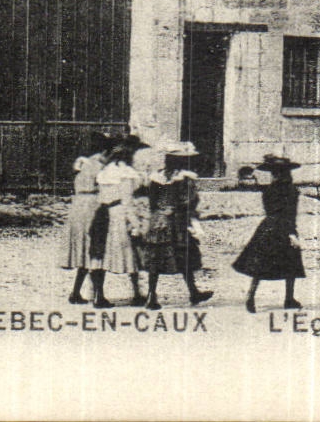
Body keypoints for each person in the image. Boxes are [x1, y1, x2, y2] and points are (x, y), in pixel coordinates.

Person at [137, 141, 214, 310]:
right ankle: (193, 292)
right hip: (176, 222)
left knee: (156, 258)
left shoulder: (157, 177)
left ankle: (152, 295)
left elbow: (152, 201)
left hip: (157, 221)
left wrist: (159, 212)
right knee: (184, 256)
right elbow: (188, 202)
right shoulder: (185, 179)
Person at [233, 154, 305, 312]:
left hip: (268, 227)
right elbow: (289, 213)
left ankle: (251, 297)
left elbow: (271, 210)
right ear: (288, 173)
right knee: (290, 263)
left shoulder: (268, 190)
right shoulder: (292, 191)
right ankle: (289, 299)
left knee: (261, 264)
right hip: (285, 227)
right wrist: (291, 233)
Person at [96, 133, 149, 306]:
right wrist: (135, 224)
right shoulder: (125, 174)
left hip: (102, 214)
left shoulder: (105, 172)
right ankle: (136, 293)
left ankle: (99, 295)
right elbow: (127, 202)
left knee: (100, 254)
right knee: (130, 253)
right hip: (118, 214)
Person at [62, 134, 114, 305]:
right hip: (93, 205)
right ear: (105, 150)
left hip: (77, 206)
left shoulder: (81, 163)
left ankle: (75, 292)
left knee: (84, 250)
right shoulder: (101, 167)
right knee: (97, 250)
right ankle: (99, 295)